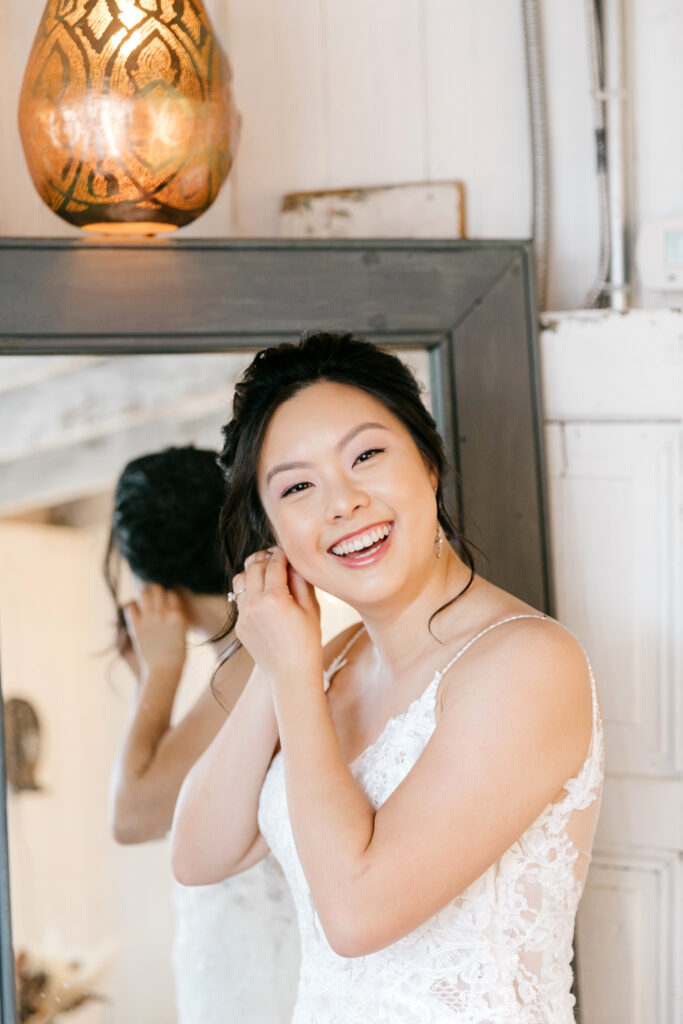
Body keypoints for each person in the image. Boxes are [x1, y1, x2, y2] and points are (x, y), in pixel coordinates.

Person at [171, 334, 605, 1023]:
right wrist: (282, 651)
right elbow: (198, 853)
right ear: (270, 532)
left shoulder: (524, 663)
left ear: (428, 464)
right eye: (297, 487)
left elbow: (356, 914)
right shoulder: (327, 660)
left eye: (366, 455)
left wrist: (290, 675)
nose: (340, 503)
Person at [104, 445, 300, 1024]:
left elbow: (132, 816)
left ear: (148, 577)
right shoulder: (246, 658)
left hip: (259, 981)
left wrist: (157, 678)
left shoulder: (250, 664)